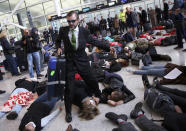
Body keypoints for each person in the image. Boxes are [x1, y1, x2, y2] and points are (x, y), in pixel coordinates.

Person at [56, 11, 114, 122]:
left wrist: (108, 47)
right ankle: (68, 112)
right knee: (69, 88)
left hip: (82, 60)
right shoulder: (63, 30)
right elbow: (58, 40)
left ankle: (99, 95)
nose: (71, 23)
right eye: (69, 21)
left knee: (92, 80)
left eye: (73, 21)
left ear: (78, 20)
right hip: (69, 62)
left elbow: (95, 41)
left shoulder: (84, 31)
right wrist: (58, 47)